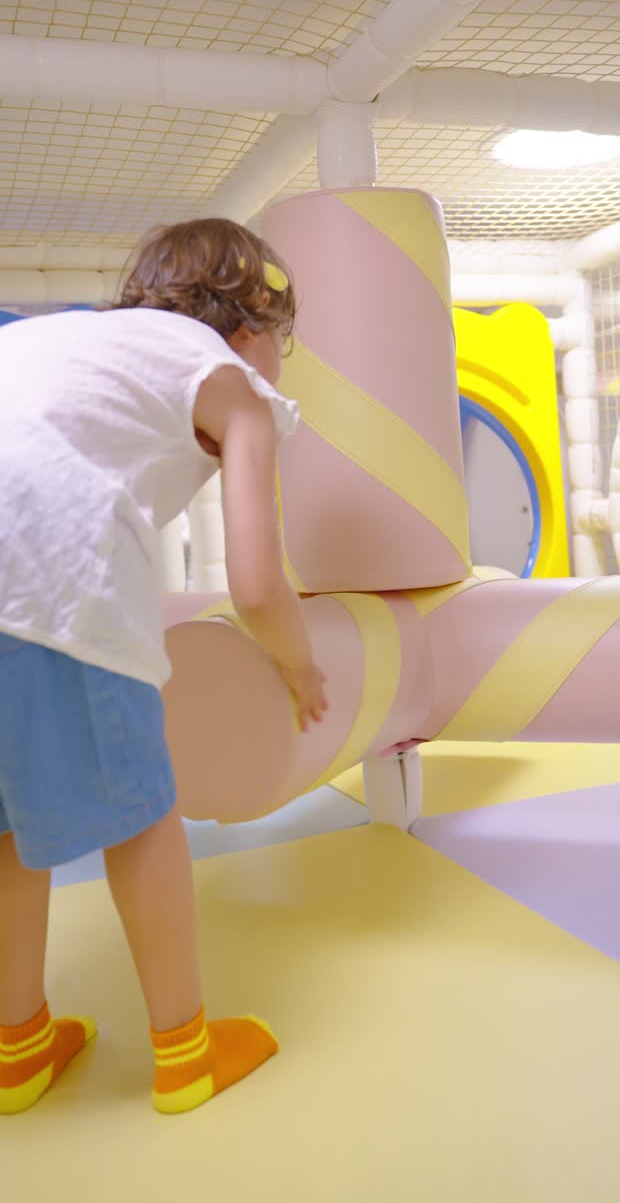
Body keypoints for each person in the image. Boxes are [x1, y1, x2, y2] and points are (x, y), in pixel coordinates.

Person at [0, 218, 328, 1116]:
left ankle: (16, 1050)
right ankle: (185, 1052)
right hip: (48, 556)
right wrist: (300, 667)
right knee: (143, 814)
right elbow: (256, 584)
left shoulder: (67, 339)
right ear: (256, 325)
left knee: (8, 824)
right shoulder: (230, 382)